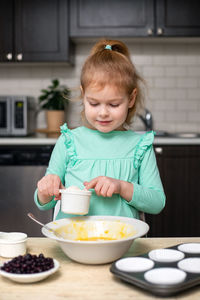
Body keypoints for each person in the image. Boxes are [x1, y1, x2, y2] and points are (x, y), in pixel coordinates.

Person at [34, 39, 166, 220]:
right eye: (94, 103)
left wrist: (121, 187)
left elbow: (157, 202)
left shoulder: (140, 146)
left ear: (131, 99)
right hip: (73, 244)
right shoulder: (68, 141)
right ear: (83, 95)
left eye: (113, 104)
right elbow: (43, 202)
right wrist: (46, 188)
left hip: (122, 245)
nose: (103, 113)